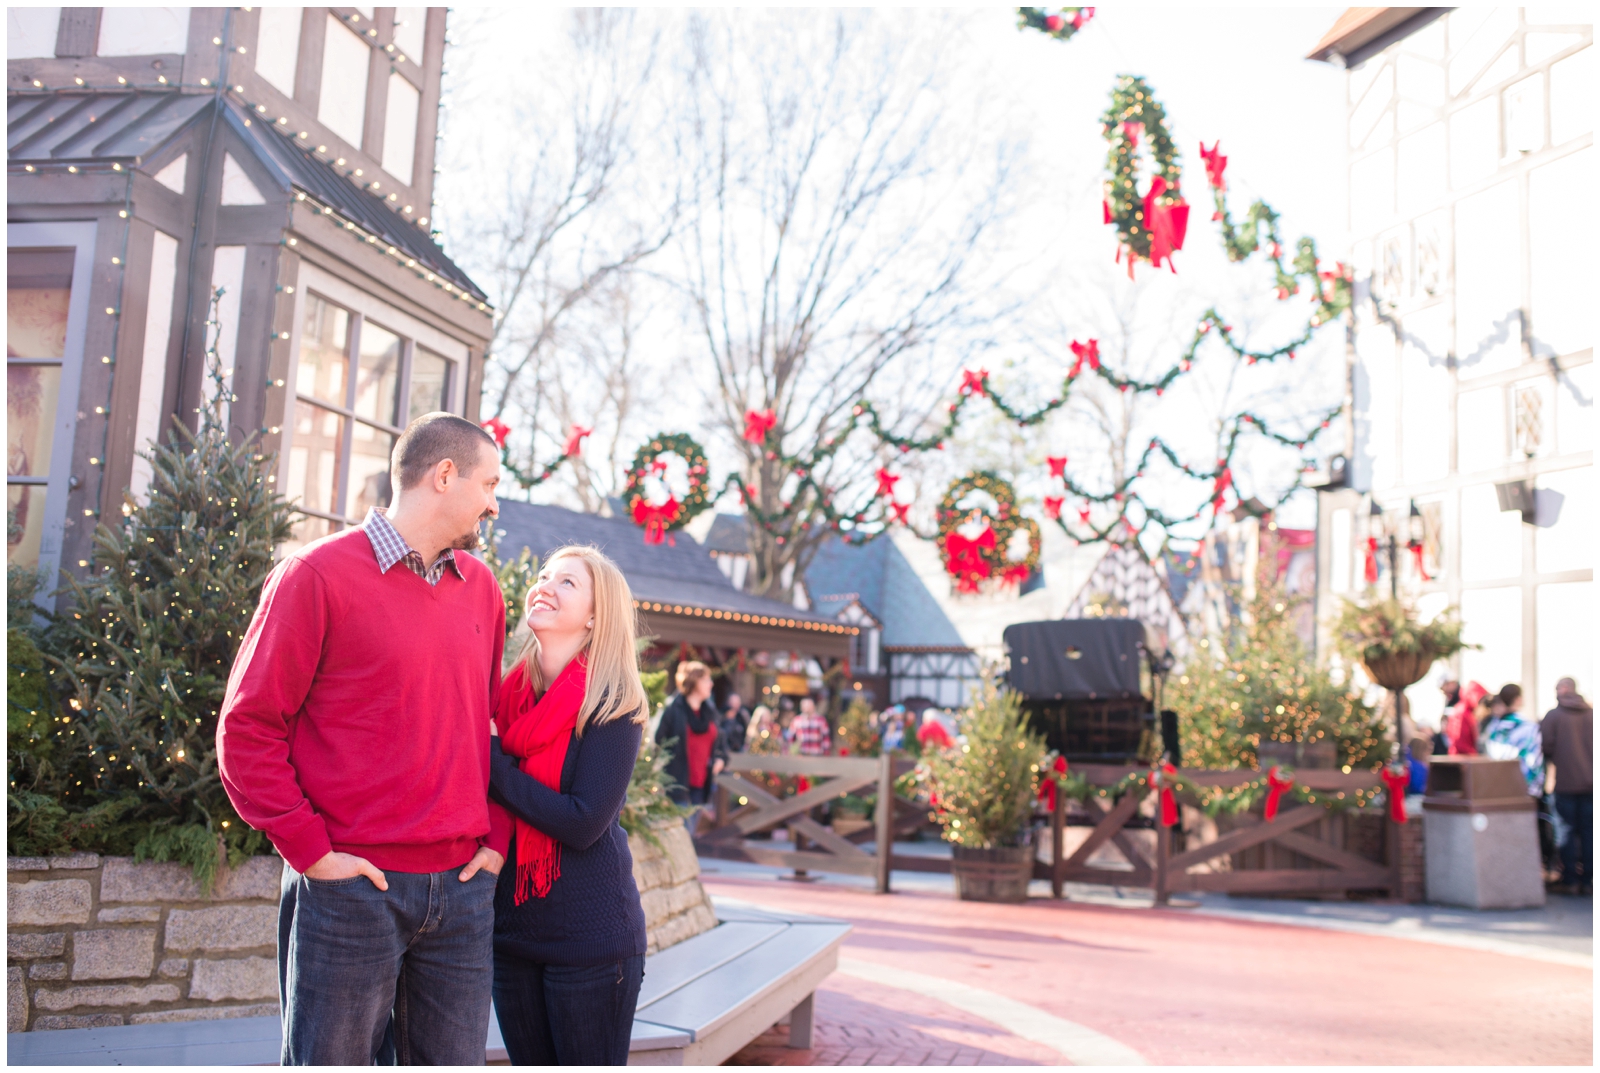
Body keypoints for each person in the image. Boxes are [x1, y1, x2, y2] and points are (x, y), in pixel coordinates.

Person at [217, 413, 507, 1065]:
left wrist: (497, 839)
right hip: (352, 888)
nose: (492, 502)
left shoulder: (482, 590)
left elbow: (489, 724)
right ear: (443, 475)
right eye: (488, 483)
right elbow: (248, 726)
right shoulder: (315, 575)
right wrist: (311, 851)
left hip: (461, 890)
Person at [486, 545, 651, 1065]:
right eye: (544, 576)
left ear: (597, 614)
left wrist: (491, 764)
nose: (545, 587)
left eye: (568, 583)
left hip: (591, 945)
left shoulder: (612, 703)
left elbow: (583, 823)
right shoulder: (507, 696)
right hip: (511, 937)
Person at [1484, 684, 1555, 872]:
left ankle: (1509, 869)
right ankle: (1534, 870)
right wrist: (1535, 788)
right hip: (1525, 787)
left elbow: (1490, 757)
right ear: (1517, 699)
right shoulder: (1527, 727)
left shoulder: (1494, 727)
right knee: (1532, 830)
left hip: (1498, 787)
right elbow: (1534, 760)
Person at [1541, 678, 1593, 894]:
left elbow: (1545, 746)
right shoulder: (1592, 715)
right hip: (1591, 784)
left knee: (1566, 832)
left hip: (1565, 782)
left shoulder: (1554, 716)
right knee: (1589, 832)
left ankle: (1570, 880)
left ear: (1561, 691)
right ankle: (1590, 881)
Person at [656, 661, 728, 806]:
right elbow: (659, 744)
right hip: (677, 788)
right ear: (694, 682)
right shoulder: (673, 710)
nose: (711, 684)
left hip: (703, 787)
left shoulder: (710, 712)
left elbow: (721, 745)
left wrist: (720, 760)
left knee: (694, 828)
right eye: (707, 679)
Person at [1444, 681, 1487, 756]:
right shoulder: (1462, 713)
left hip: (1465, 758)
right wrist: (1476, 756)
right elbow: (1460, 743)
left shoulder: (1467, 711)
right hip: (1462, 759)